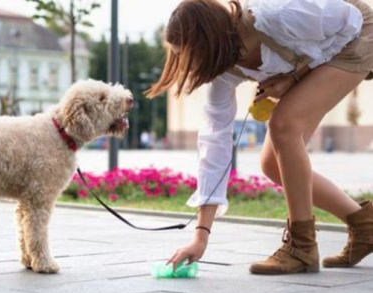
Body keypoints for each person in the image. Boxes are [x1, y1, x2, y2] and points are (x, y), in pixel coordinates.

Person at [147, 0, 373, 275]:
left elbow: (348, 21)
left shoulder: (274, 16)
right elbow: (214, 145)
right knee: (272, 164)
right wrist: (200, 236)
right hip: (326, 47)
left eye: (190, 55)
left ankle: (301, 247)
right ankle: (366, 227)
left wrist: (297, 76)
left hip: (355, 32)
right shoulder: (223, 71)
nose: (189, 66)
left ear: (210, 42)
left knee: (284, 124)